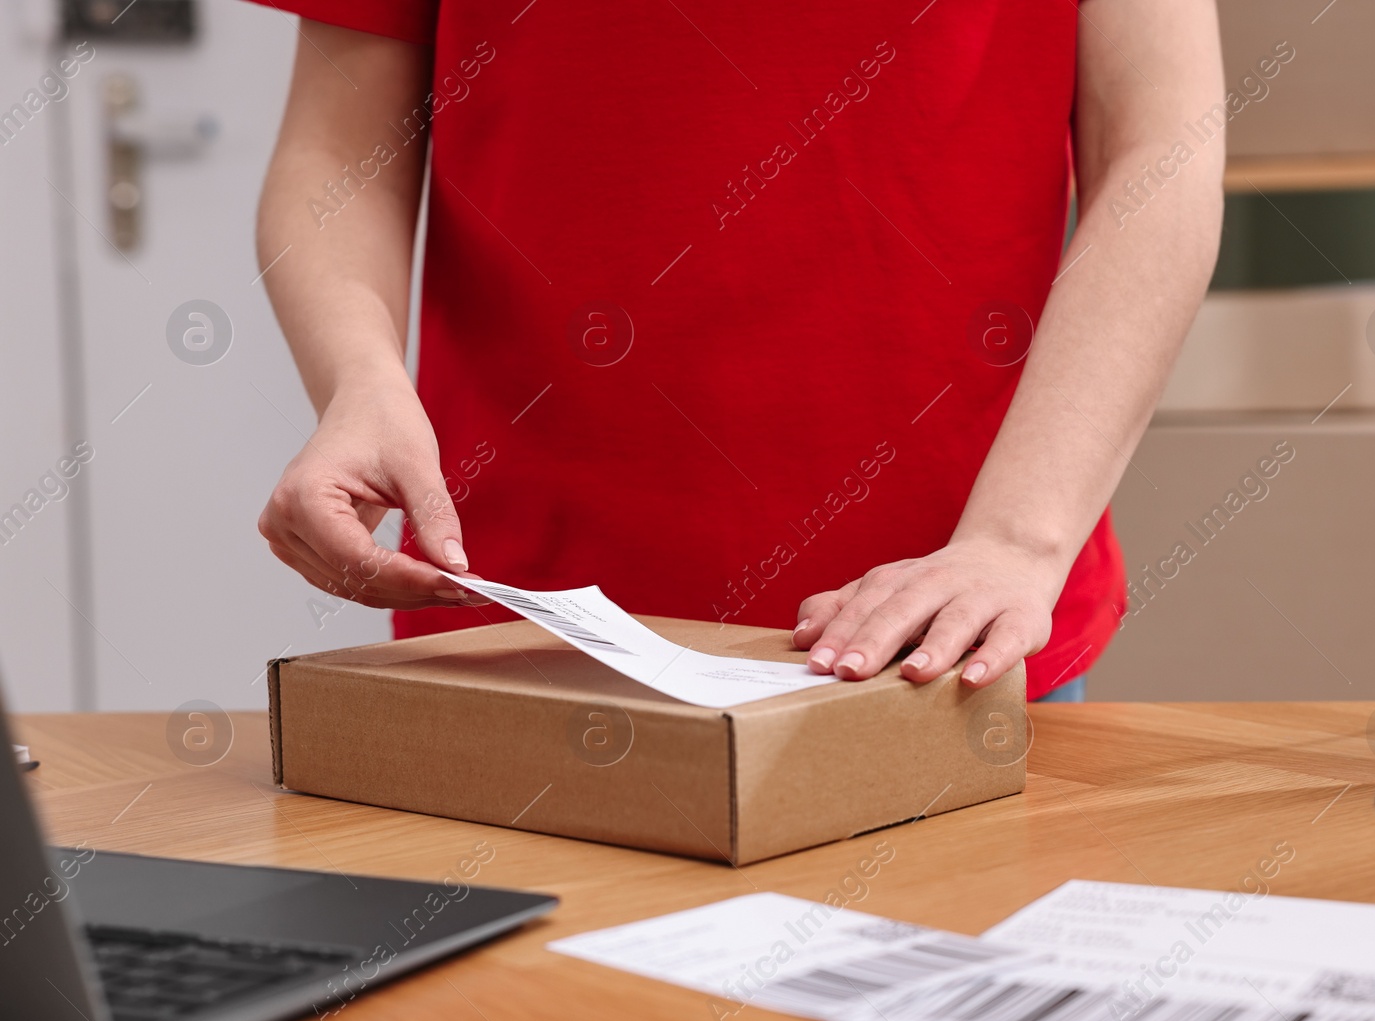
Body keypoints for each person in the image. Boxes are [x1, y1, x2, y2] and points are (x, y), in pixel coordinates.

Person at [253, 1, 1224, 701]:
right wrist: (357, 377)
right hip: (522, 638)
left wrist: (1018, 538)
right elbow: (339, 154)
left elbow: (1159, 143)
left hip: (944, 638)